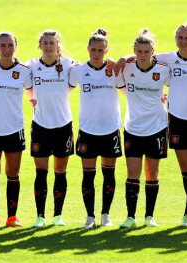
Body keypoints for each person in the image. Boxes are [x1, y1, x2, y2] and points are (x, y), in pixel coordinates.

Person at [114, 23, 187, 228]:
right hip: (158, 124)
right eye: (180, 37)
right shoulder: (159, 60)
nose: (183, 41)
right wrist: (122, 58)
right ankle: (132, 217)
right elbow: (128, 76)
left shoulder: (170, 66)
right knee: (178, 171)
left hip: (184, 121)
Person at [68, 28, 125, 229]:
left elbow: (126, 87)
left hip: (110, 129)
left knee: (109, 174)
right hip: (88, 130)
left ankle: (106, 215)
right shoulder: (79, 71)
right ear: (88, 49)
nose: (97, 53)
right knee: (88, 175)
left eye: (101, 50)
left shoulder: (114, 70)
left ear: (107, 51)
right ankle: (90, 216)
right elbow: (64, 82)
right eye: (93, 49)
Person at [118, 29, 170, 229]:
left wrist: (166, 97)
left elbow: (178, 86)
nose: (142, 55)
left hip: (157, 128)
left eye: (146, 51)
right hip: (133, 127)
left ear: (153, 51)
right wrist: (124, 58)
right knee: (132, 172)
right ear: (134, 51)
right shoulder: (127, 67)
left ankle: (149, 216)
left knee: (152, 173)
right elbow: (120, 87)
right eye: (139, 51)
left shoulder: (163, 69)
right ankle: (130, 217)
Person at [0, 32, 32, 227]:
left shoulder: (25, 71)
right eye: (3, 45)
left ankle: (12, 217)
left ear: (15, 47)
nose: (7, 49)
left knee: (13, 173)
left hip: (14, 128)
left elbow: (33, 89)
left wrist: (33, 99)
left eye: (10, 45)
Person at [25, 30, 77, 228]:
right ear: (40, 46)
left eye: (52, 43)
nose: (48, 46)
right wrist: (32, 97)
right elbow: (22, 81)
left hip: (63, 126)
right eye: (45, 43)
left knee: (60, 172)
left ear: (58, 45)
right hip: (40, 126)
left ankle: (58, 215)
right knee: (41, 172)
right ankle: (40, 216)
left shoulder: (69, 65)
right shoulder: (31, 65)